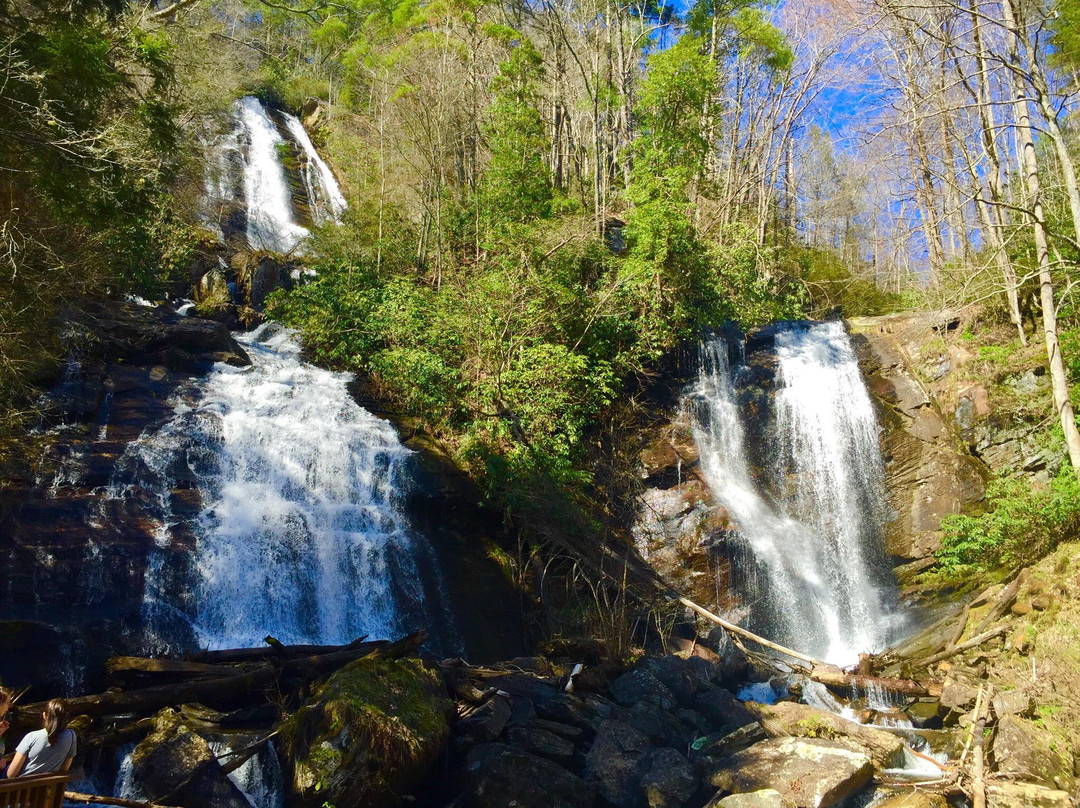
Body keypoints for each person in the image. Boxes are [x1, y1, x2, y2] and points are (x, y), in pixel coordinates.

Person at [5, 700, 75, 779]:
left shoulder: (31, 737)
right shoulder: (71, 735)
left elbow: (11, 774)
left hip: (23, 789)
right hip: (49, 789)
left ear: (44, 715)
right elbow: (64, 769)